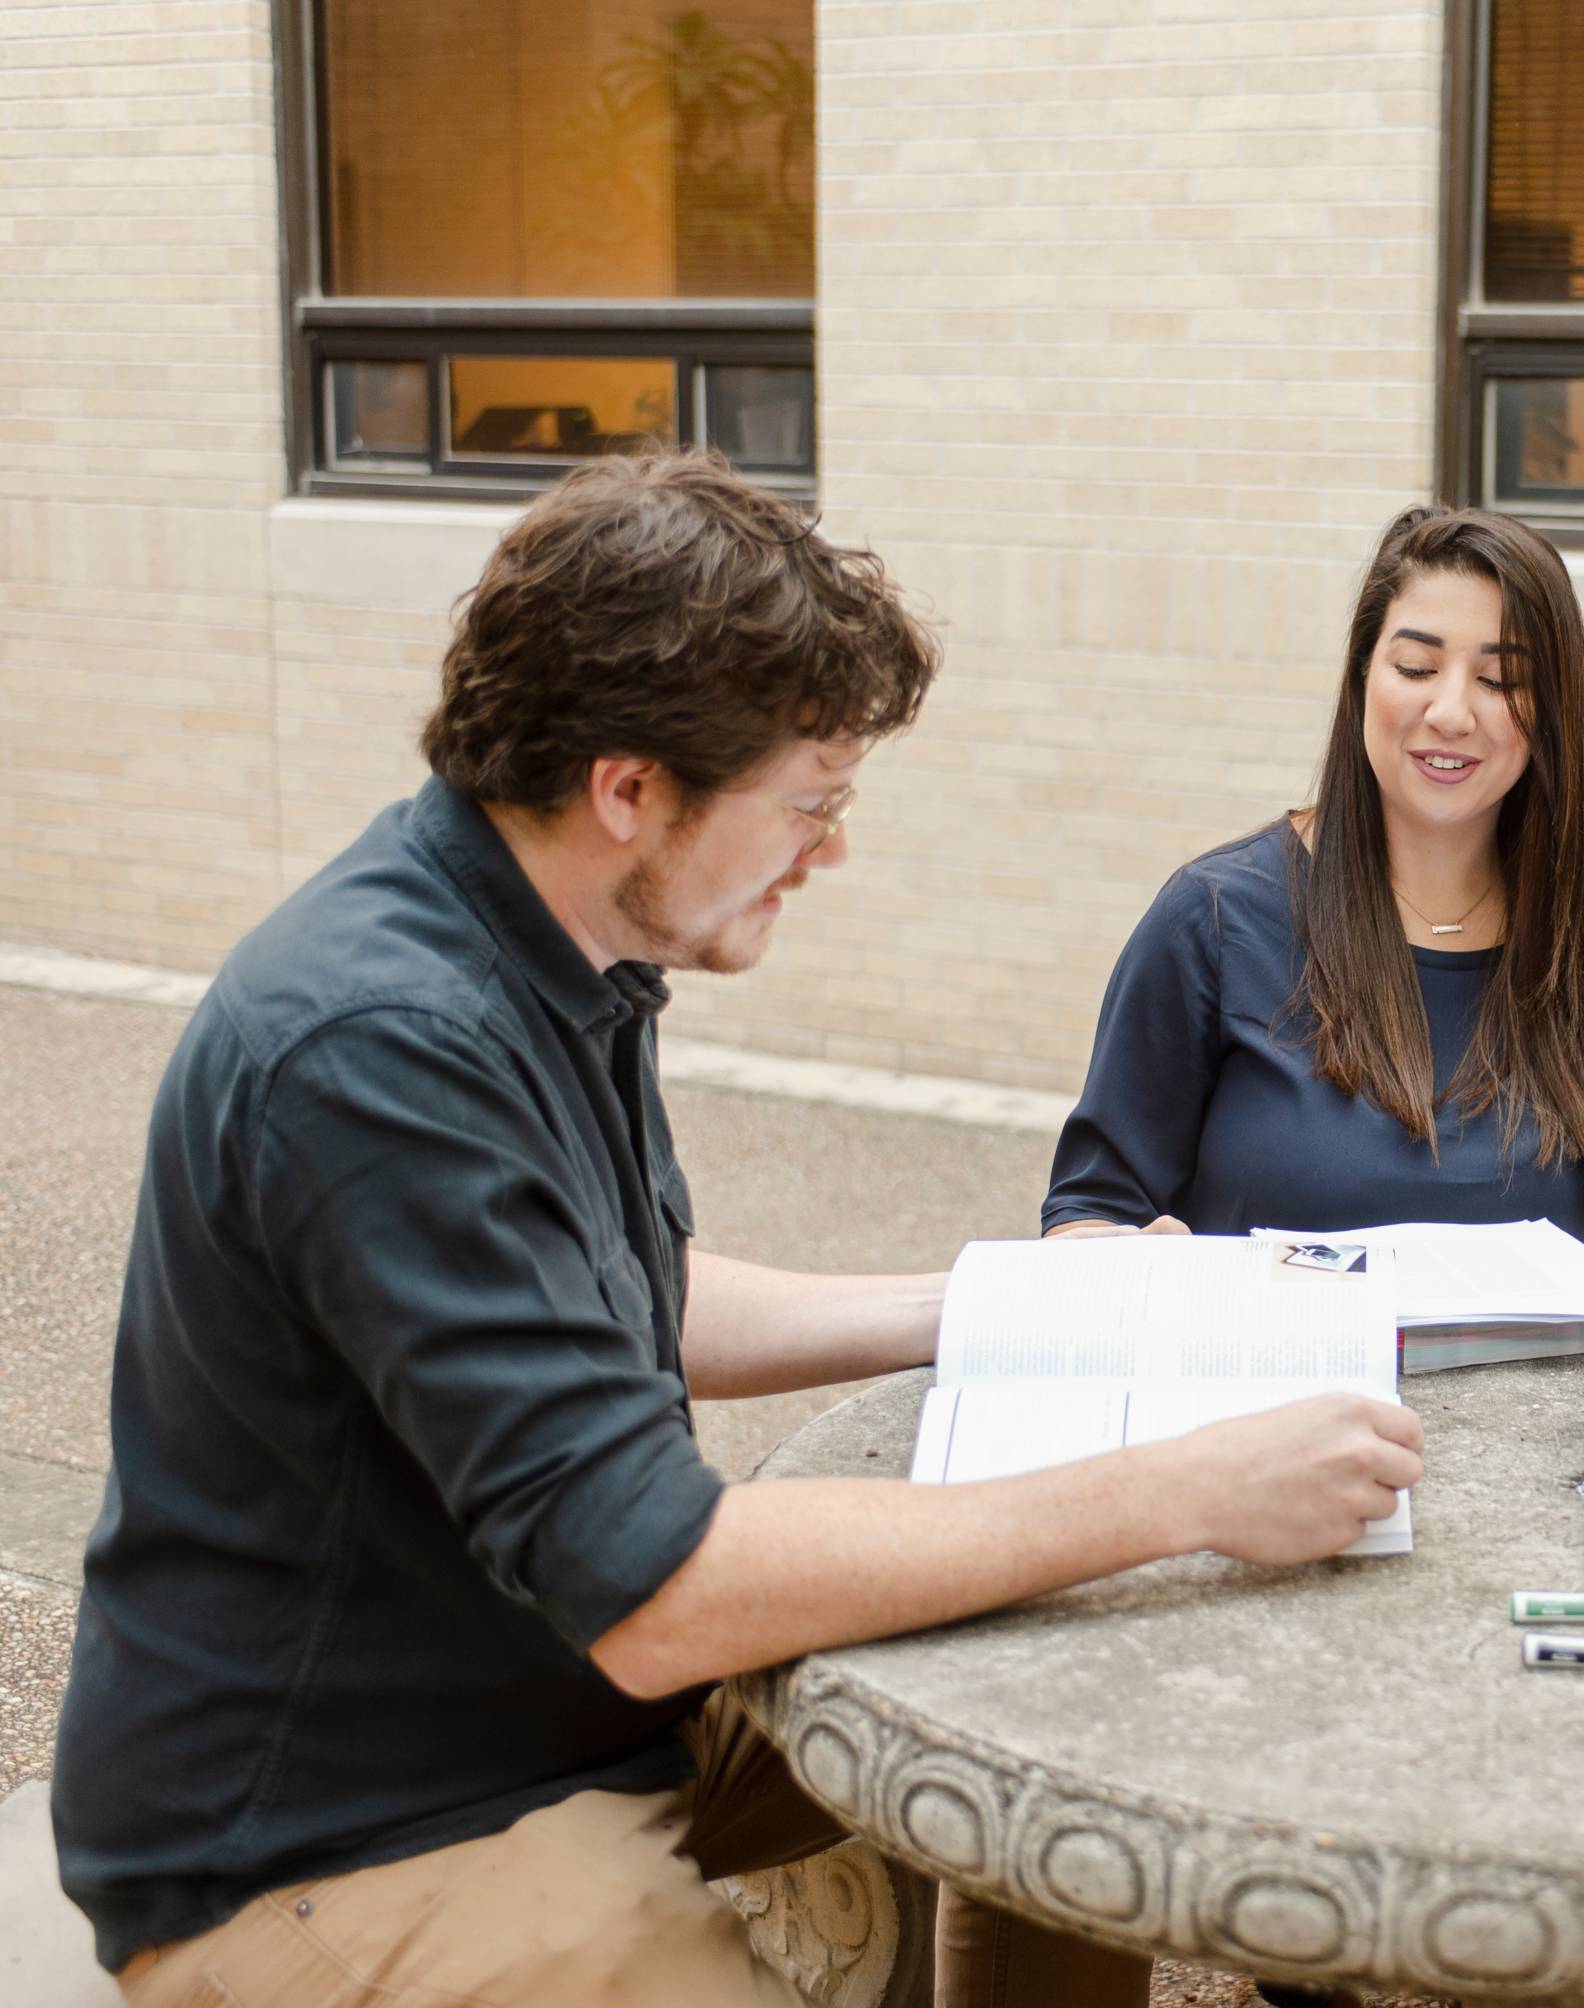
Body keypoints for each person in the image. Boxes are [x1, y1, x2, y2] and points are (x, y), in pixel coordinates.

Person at [53, 454, 1424, 2008]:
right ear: (630, 788)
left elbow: (639, 1297)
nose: (829, 852)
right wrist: (1186, 1488)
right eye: (812, 805)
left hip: (546, 1709)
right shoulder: (381, 1047)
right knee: (1046, 1606)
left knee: (1027, 1752)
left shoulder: (561, 932)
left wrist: (1003, 1298)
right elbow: (663, 1594)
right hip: (339, 1832)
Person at [1044, 504, 1584, 1279]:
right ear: (1363, 677)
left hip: (1536, 1405)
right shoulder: (1214, 920)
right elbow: (1087, 1217)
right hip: (1284, 1394)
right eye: (1416, 669)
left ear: (1552, 714)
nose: (1450, 712)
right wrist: (1133, 1262)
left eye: (1500, 679)